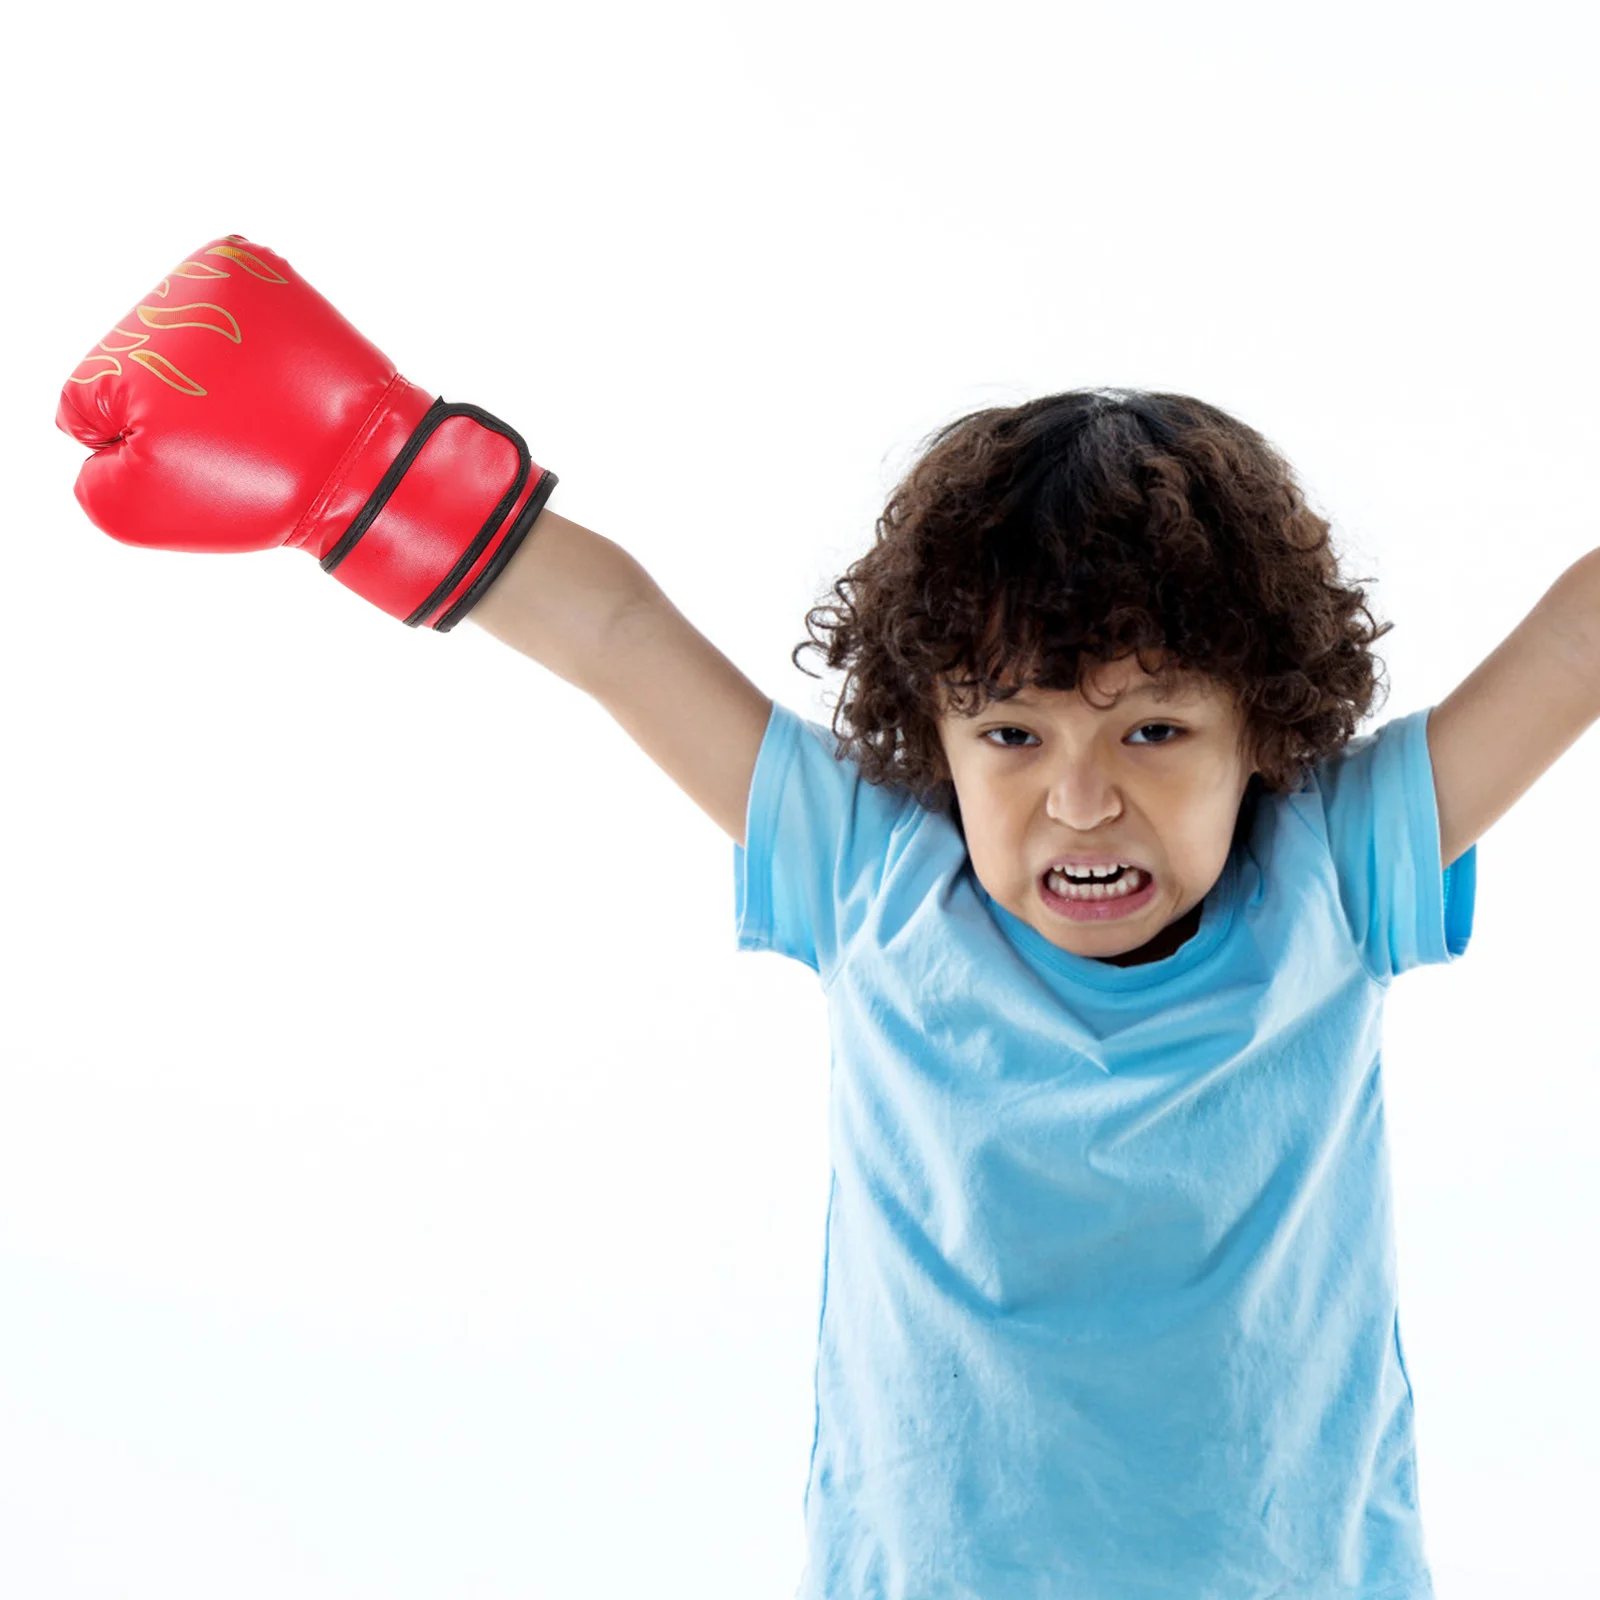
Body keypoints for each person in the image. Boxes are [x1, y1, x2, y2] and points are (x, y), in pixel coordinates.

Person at [58, 233, 1600, 1599]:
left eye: (1152, 733)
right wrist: (364, 466)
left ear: (1263, 727)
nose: (1080, 803)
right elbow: (611, 629)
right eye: (1012, 735)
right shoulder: (875, 874)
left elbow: (1577, 645)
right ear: (928, 731)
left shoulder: (1335, 872)